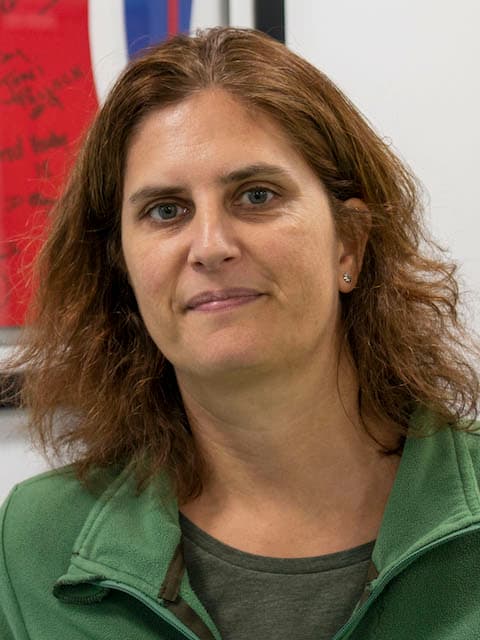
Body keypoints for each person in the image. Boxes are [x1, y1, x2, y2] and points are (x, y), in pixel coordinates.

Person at [0, 26, 479, 640]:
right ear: (123, 266)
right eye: (166, 210)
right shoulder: (36, 544)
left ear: (349, 244)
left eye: (256, 195)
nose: (210, 246)